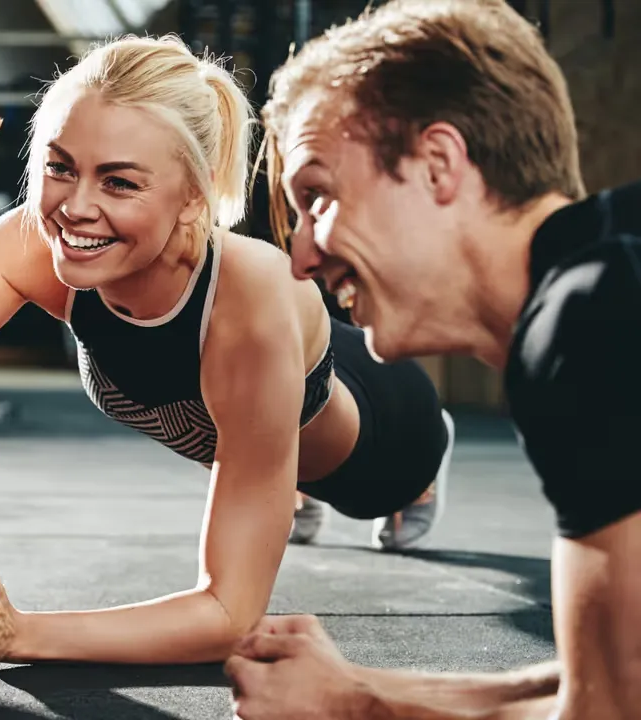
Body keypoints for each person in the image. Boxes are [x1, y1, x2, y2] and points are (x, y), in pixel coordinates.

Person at [0, 36, 455, 666]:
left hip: (383, 441)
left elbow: (230, 617)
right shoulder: (30, 245)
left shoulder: (247, 300)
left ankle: (395, 485)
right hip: (265, 403)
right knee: (257, 445)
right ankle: (276, 476)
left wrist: (25, 633)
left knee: (342, 473)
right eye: (59, 167)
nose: (75, 207)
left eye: (119, 182)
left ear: (194, 193)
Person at [223, 1, 641, 718]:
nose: (301, 257)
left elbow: (607, 708)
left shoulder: (590, 316)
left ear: (439, 163)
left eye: (318, 196)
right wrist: (365, 687)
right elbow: (609, 674)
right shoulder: (607, 274)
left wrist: (354, 710)